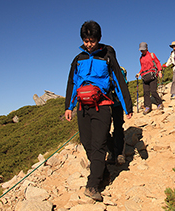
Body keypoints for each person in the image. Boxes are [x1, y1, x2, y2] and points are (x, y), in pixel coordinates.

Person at [64, 21, 133, 201]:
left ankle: (92, 185)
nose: (89, 44)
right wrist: (68, 107)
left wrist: (127, 106)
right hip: (82, 107)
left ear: (98, 39)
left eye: (92, 40)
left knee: (99, 144)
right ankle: (104, 174)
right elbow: (72, 83)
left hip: (102, 105)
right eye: (86, 41)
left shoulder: (107, 56)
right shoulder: (78, 59)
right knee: (87, 144)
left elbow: (118, 80)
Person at [135, 42, 164, 115]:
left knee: (153, 91)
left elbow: (157, 63)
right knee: (146, 92)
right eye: (141, 50)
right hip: (144, 76)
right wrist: (139, 73)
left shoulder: (152, 55)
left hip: (152, 75)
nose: (142, 51)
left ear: (147, 49)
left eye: (143, 50)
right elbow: (142, 68)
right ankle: (147, 107)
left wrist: (160, 71)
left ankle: (160, 103)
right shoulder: (141, 58)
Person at [107, 67, 128, 166]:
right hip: (111, 104)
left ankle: (117, 153)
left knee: (117, 127)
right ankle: (114, 152)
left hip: (115, 103)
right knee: (107, 129)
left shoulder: (119, 70)